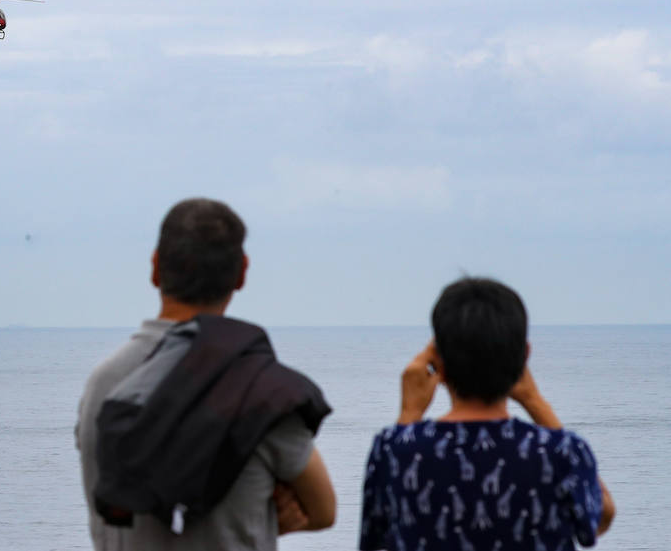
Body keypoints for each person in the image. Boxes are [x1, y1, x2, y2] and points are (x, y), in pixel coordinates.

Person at [76, 198, 337, 550]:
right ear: (242, 273)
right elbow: (323, 510)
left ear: (155, 268)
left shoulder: (102, 384)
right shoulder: (261, 388)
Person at [359, 277, 616, 550]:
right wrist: (535, 402)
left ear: (439, 362)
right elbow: (599, 519)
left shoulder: (394, 449)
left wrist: (410, 412)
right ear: (524, 356)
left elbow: (377, 537)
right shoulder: (561, 451)